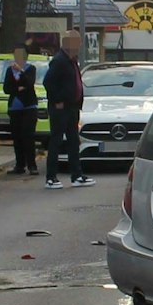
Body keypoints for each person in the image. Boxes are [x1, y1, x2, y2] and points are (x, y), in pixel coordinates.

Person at [44, 30, 94, 189]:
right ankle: (51, 178)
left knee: (73, 142)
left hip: (72, 107)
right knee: (56, 141)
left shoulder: (72, 61)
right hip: (61, 108)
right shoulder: (59, 61)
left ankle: (77, 176)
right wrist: (57, 100)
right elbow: (48, 82)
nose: (79, 45)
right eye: (76, 42)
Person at [2, 42, 41, 175]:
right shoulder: (9, 70)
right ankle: (19, 165)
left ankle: (32, 165)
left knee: (28, 136)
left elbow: (29, 83)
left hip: (29, 107)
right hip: (14, 108)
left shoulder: (31, 69)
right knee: (17, 137)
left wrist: (21, 71)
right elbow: (6, 88)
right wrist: (18, 88)